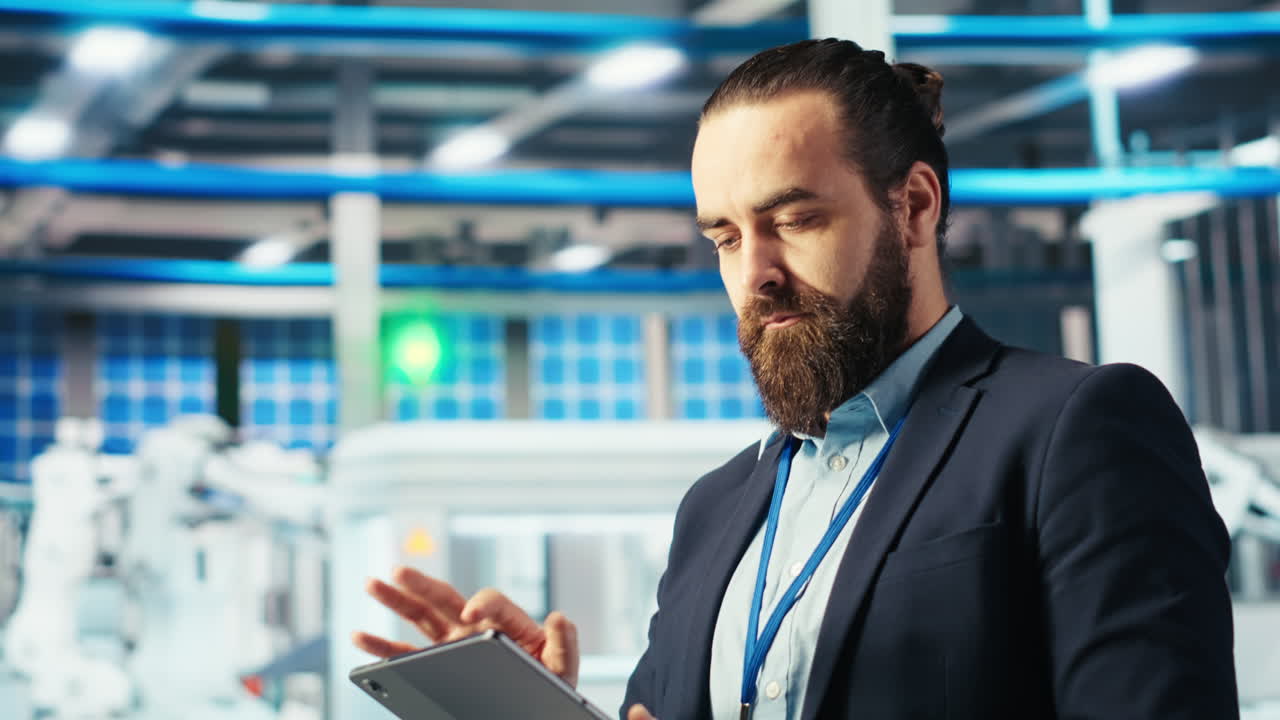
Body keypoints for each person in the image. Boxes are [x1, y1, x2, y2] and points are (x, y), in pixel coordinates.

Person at [353, 38, 1238, 720]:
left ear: (914, 207)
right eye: (726, 237)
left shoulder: (1071, 431)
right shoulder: (715, 511)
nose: (757, 274)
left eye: (795, 219)